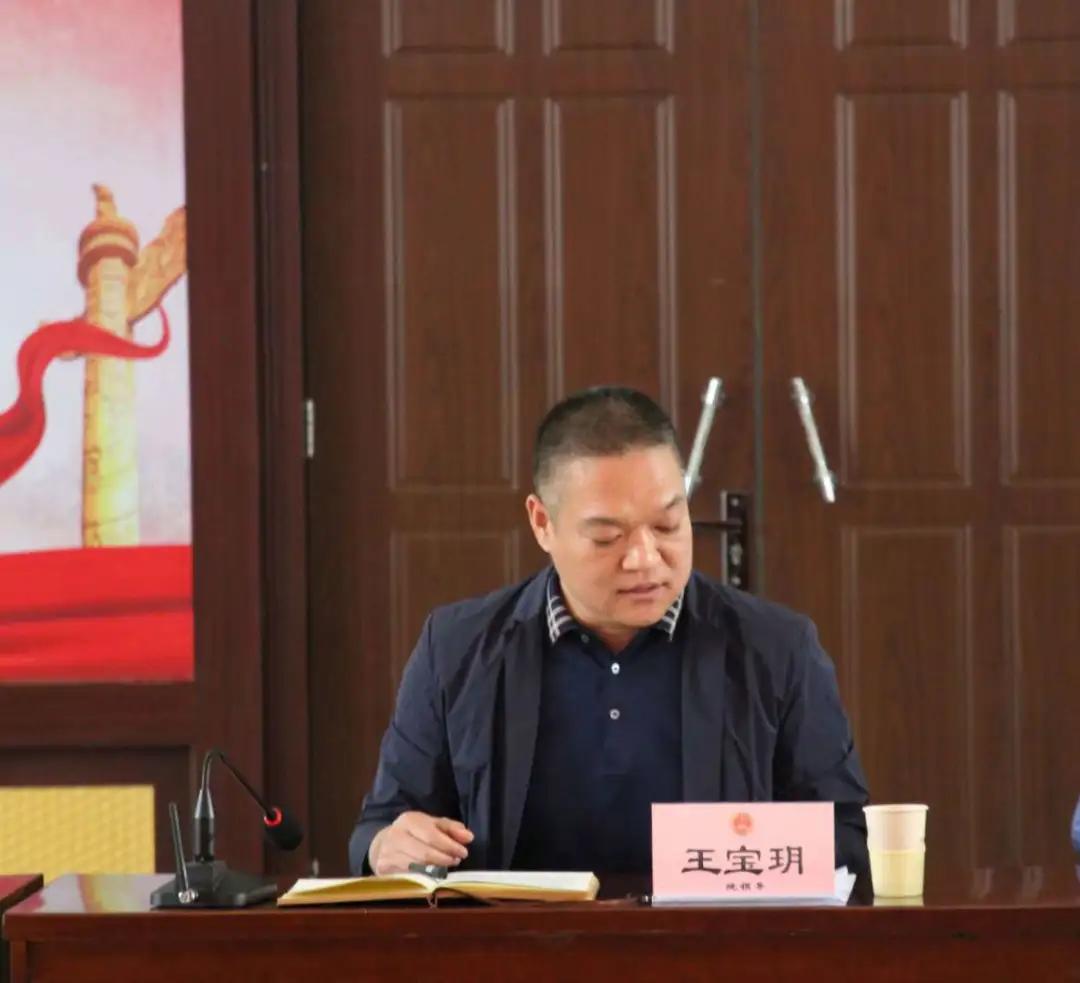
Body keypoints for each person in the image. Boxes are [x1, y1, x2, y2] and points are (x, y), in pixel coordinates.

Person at [349, 386, 869, 877]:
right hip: (515, 939)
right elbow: (381, 827)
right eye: (607, 537)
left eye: (667, 526)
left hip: (709, 939)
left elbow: (847, 837)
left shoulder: (778, 649)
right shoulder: (456, 648)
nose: (645, 559)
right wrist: (388, 846)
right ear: (542, 523)